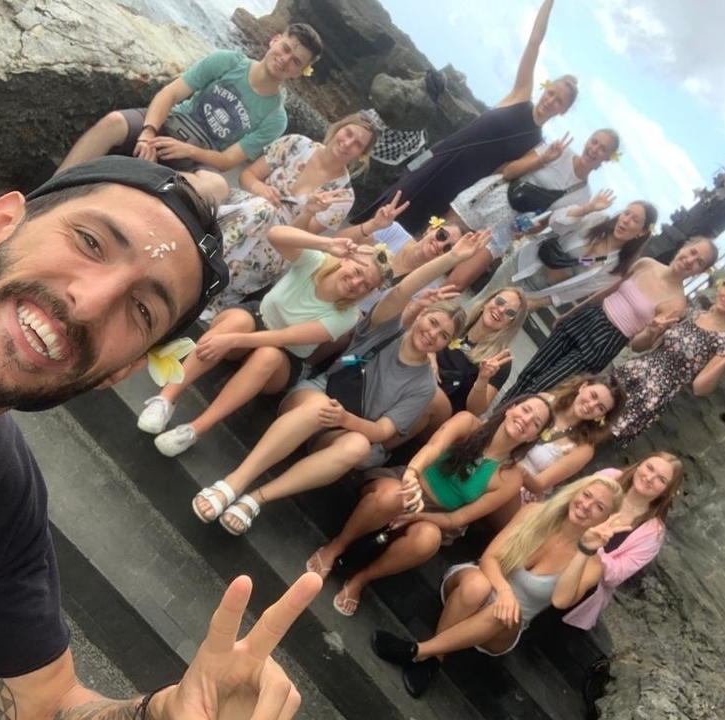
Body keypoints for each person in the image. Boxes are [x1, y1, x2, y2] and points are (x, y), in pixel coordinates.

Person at [0, 156, 320, 719]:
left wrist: (162, 714)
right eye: (90, 242)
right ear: (0, 222)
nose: (90, 303)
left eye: (141, 310)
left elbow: (49, 703)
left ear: (118, 372)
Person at [189, 230, 493, 536]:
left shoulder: (425, 386)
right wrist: (452, 258)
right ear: (422, 315)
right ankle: (235, 482)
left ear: (446, 345)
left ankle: (257, 498)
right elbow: (402, 293)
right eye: (433, 323)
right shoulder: (384, 329)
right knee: (319, 407)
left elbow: (384, 431)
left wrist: (345, 419)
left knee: (359, 447)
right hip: (315, 396)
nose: (432, 334)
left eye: (443, 335)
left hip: (348, 428)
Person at [136, 225, 394, 456]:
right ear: (346, 260)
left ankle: (195, 429)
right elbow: (275, 235)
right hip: (256, 317)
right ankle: (165, 399)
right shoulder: (316, 260)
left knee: (267, 355)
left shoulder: (347, 315)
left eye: (366, 285)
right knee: (238, 322)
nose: (356, 282)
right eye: (358, 271)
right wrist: (326, 243)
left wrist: (232, 341)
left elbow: (285, 337)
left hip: (285, 356)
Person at [369, 474, 624, 697]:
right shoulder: (534, 513)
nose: (586, 505)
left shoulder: (592, 565)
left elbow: (561, 601)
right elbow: (489, 558)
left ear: (605, 519)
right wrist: (503, 592)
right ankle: (433, 658)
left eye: (598, 507)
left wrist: (584, 549)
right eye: (586, 495)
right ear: (575, 492)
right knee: (478, 586)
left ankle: (416, 650)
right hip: (476, 583)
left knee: (506, 615)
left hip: (501, 627)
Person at [308, 394, 556, 617]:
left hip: (441, 516)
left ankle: (361, 578)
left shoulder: (511, 477)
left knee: (427, 540)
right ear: (511, 408)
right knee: (395, 496)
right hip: (410, 481)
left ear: (535, 437)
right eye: (525, 410)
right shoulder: (468, 423)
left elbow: (459, 519)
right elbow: (433, 446)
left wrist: (418, 517)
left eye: (535, 423)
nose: (526, 420)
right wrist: (412, 475)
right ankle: (336, 547)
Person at [350, 0, 577, 233]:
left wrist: (544, 159)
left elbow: (505, 172)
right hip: (441, 157)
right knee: (395, 200)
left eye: (559, 101)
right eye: (551, 93)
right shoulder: (520, 95)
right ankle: (348, 241)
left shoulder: (536, 143)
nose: (550, 101)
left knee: (409, 228)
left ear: (563, 111)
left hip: (461, 185)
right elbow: (534, 41)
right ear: (544, 88)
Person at [57, 23, 323, 204]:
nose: (286, 59)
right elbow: (169, 94)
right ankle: (53, 189)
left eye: (296, 61)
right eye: (286, 48)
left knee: (216, 188)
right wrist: (148, 133)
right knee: (114, 122)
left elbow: (227, 160)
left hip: (199, 156)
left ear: (300, 72)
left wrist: (188, 152)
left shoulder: (276, 118)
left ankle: (136, 192)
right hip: (171, 123)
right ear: (275, 40)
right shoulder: (228, 61)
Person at [200, 111, 380, 319]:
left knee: (263, 224)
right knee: (262, 210)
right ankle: (208, 282)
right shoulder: (296, 144)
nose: (348, 143)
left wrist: (308, 212)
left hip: (276, 244)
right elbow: (248, 175)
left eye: (358, 144)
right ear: (338, 128)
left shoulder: (342, 195)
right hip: (246, 208)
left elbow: (296, 238)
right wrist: (260, 188)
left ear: (361, 155)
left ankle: (206, 275)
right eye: (347, 133)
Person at [501, 236, 719, 400]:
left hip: (608, 339)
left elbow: (638, 345)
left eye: (699, 262)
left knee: (540, 387)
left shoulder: (677, 303)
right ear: (683, 247)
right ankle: (485, 428)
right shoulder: (646, 264)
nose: (690, 260)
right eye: (691, 252)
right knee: (529, 373)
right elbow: (608, 292)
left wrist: (652, 330)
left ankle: (495, 435)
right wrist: (571, 313)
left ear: (699, 272)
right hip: (588, 317)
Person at [445, 128, 621, 290]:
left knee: (455, 285)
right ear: (587, 140)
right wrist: (544, 158)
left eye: (603, 149)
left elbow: (544, 224)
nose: (594, 149)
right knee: (433, 249)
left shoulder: (583, 196)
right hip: (491, 200)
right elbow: (510, 171)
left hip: (506, 229)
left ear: (607, 158)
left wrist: (527, 227)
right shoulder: (559, 151)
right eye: (594, 141)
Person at [612, 274, 725, 443]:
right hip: (630, 372)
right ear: (721, 286)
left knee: (596, 436)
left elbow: (699, 388)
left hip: (651, 394)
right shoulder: (691, 313)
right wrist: (651, 330)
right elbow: (637, 346)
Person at [388, 287, 529, 449]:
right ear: (488, 301)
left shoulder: (500, 359)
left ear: (511, 324)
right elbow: (419, 334)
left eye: (510, 313)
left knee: (433, 395)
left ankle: (381, 448)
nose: (501, 310)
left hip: (442, 413)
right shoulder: (456, 321)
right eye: (500, 301)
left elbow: (475, 410)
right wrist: (430, 355)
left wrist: (483, 378)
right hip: (415, 382)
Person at [561, 453, 684, 629]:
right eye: (649, 468)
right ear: (640, 464)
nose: (649, 478)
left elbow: (615, 575)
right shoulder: (610, 477)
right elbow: (569, 503)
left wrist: (595, 545)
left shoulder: (652, 532)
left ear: (667, 491)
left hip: (584, 581)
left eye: (661, 480)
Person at [487, 373, 626, 529]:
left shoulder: (583, 448)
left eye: (600, 407)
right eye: (593, 395)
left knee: (505, 479)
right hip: (494, 462)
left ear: (602, 416)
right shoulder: (545, 401)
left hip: (519, 491)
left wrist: (514, 468)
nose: (591, 405)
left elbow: (539, 485)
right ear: (583, 387)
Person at [471, 199, 658, 314]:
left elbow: (576, 291)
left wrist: (536, 303)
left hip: (535, 293)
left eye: (635, 220)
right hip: (521, 267)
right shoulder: (596, 220)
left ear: (641, 232)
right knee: (476, 306)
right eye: (627, 213)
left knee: (492, 326)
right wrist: (587, 208)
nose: (626, 220)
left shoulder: (616, 268)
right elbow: (557, 222)